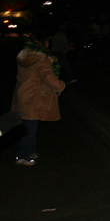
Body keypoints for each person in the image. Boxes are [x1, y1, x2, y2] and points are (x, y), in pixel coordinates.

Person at [11, 33, 66, 165]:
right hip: (34, 98)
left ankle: (29, 151)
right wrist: (61, 86)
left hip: (23, 95)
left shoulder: (25, 57)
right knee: (30, 129)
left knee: (28, 126)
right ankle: (23, 155)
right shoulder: (41, 60)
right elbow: (48, 77)